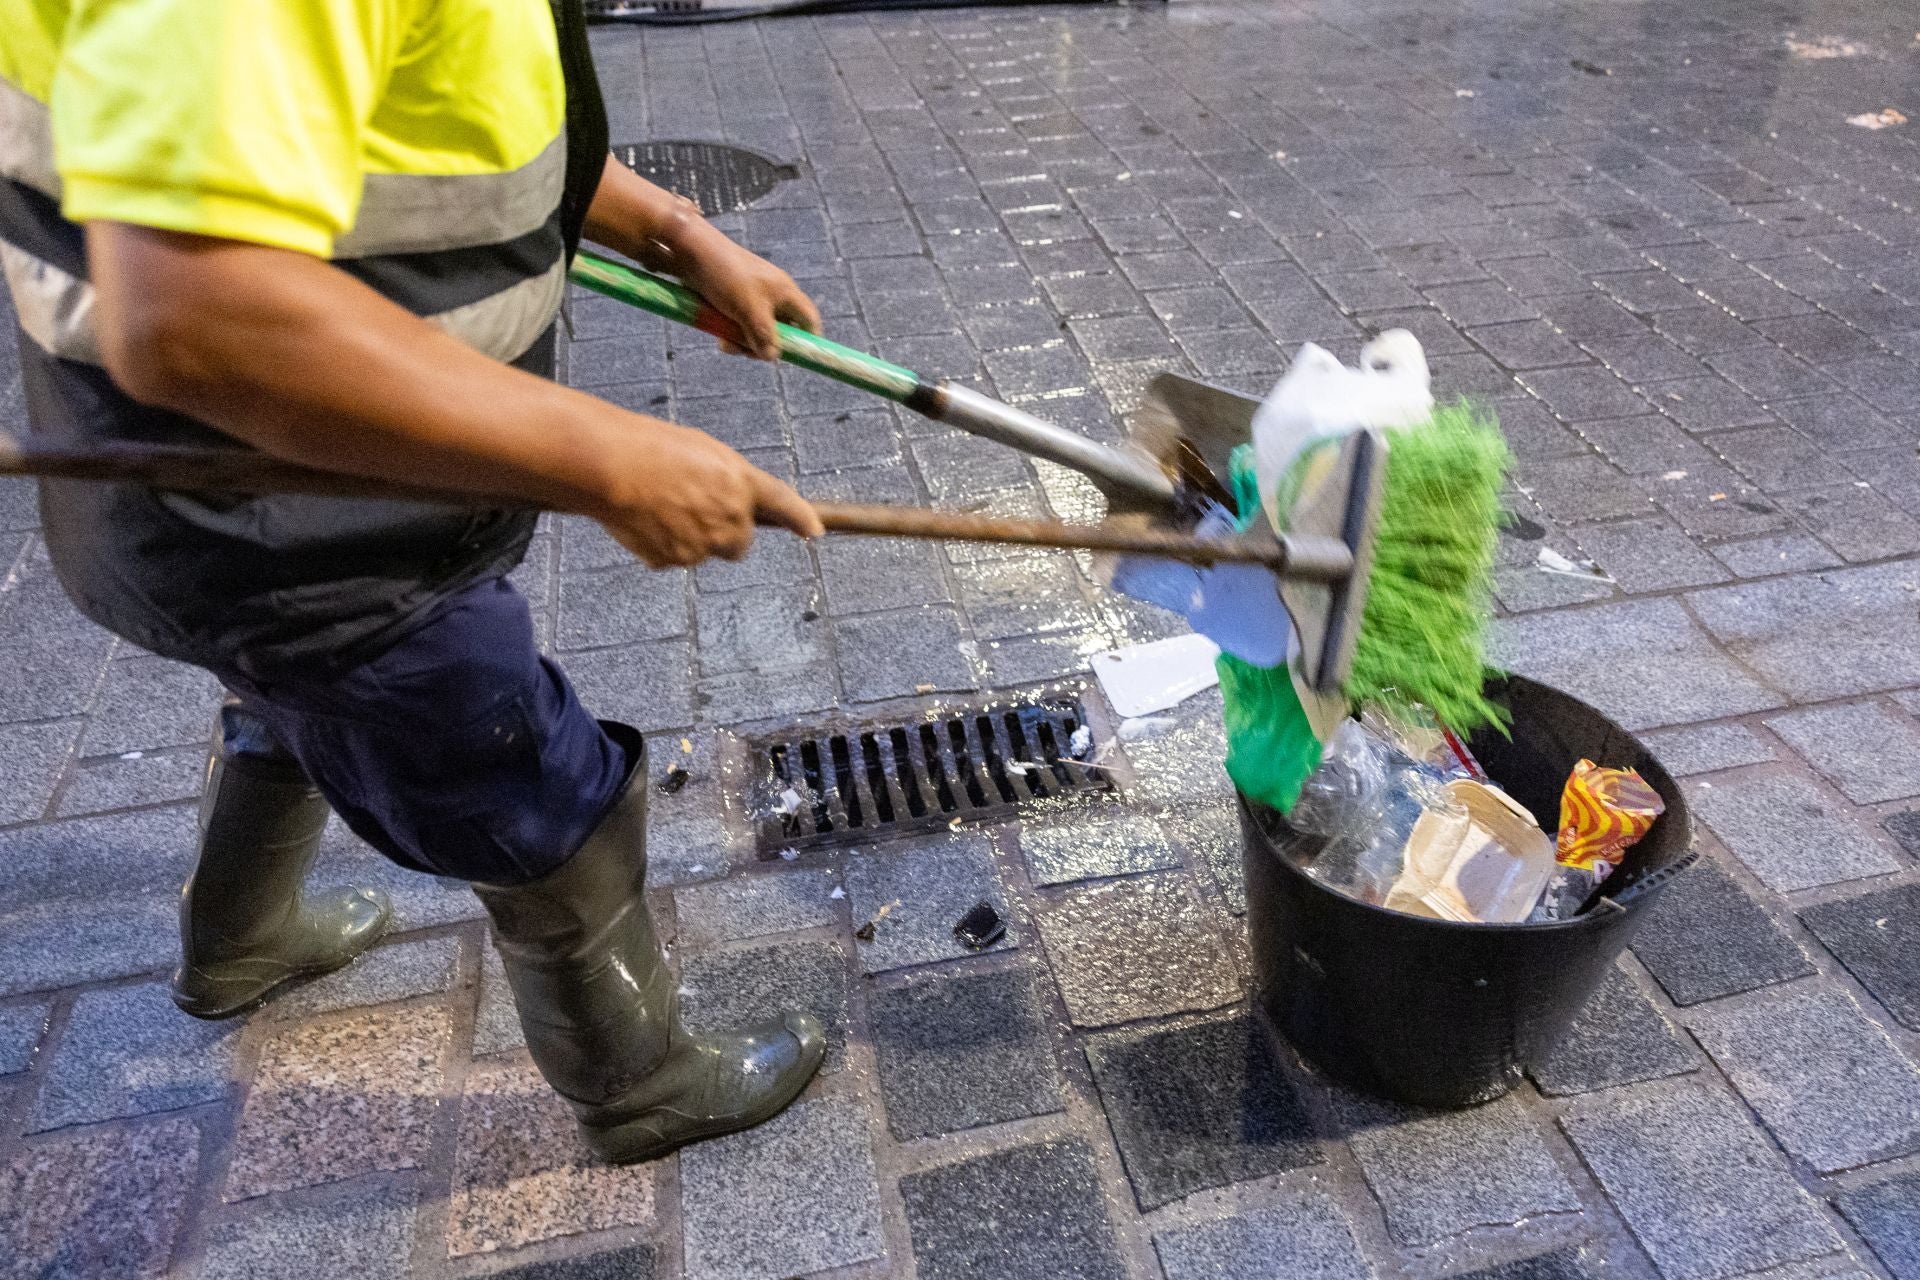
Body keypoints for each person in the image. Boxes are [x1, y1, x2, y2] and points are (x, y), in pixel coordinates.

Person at [0, 0, 831, 1164]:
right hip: (298, 519)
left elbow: (428, 123)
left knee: (291, 698)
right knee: (529, 776)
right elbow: (195, 309)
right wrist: (607, 456)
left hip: (260, 499)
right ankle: (641, 1084)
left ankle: (236, 942)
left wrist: (669, 227)